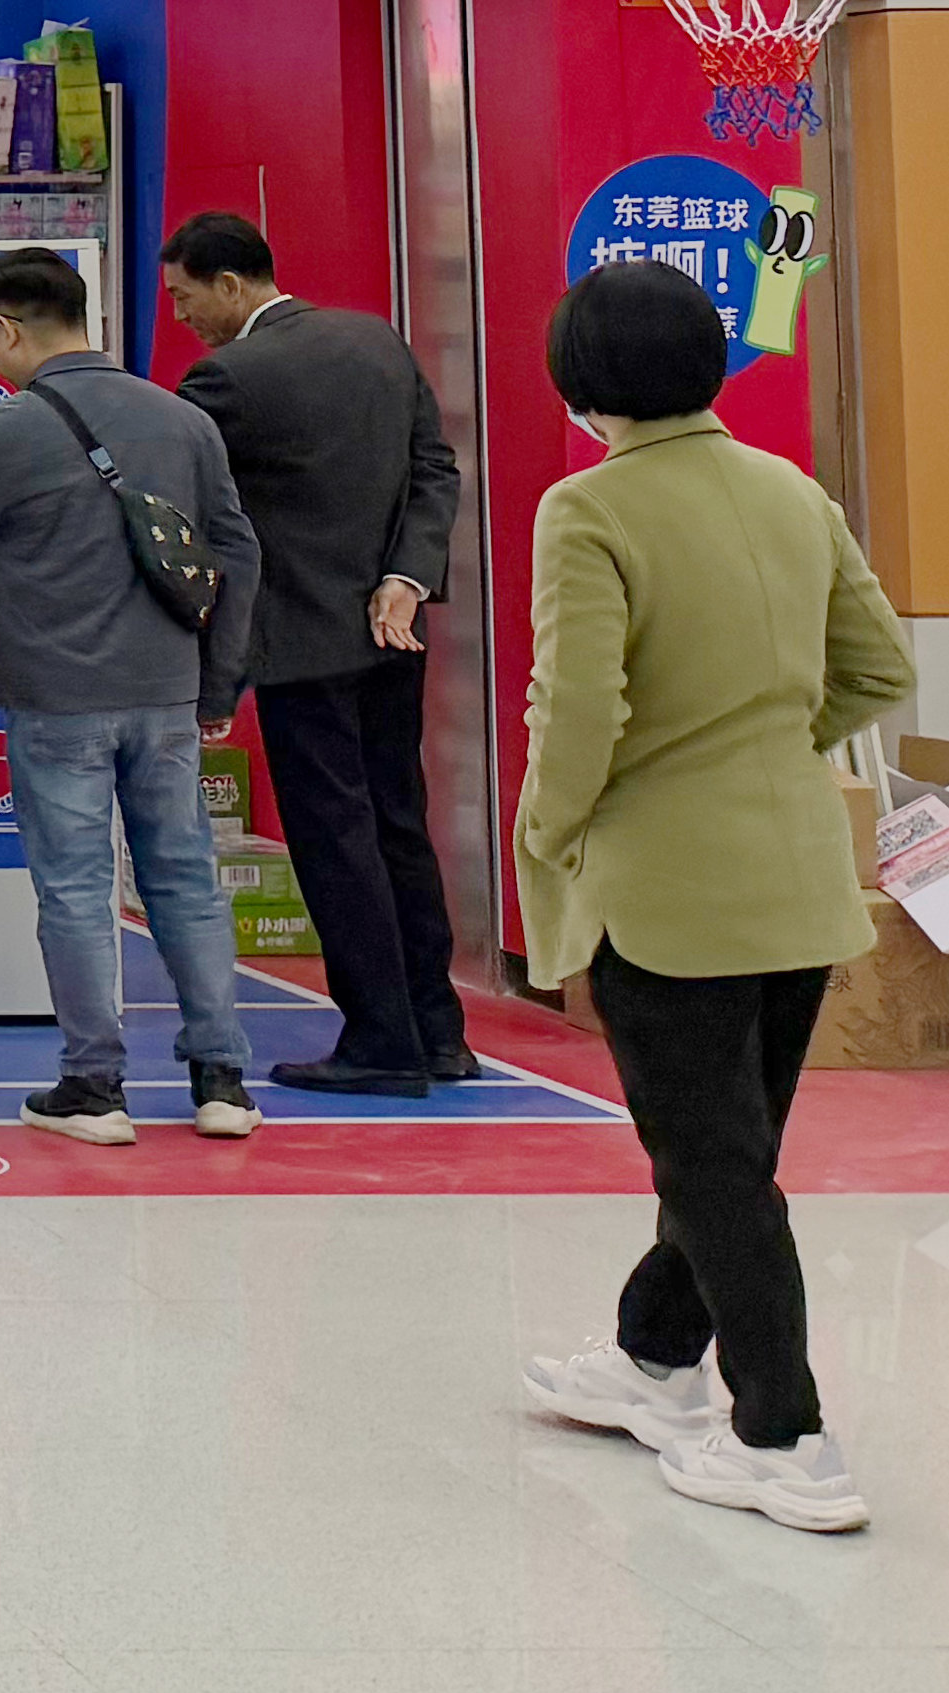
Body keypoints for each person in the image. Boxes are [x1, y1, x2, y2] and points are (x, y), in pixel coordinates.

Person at [512, 258, 911, 1535]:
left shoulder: (587, 507)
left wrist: (549, 829)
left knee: (716, 1166)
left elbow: (580, 707)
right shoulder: (791, 489)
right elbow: (878, 668)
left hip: (664, 889)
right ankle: (651, 1357)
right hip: (795, 878)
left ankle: (783, 1436)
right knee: (728, 1149)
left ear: (580, 382)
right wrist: (771, 751)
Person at [0, 247, 264, 1145]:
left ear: (6, 329)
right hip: (165, 691)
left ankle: (93, 1085)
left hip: (55, 695)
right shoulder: (182, 420)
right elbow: (236, 553)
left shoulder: (4, 431)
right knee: (184, 877)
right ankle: (222, 1081)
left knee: (76, 888)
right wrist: (217, 681)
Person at [164, 211, 476, 1095]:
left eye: (184, 297)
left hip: (298, 641)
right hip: (391, 626)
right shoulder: (378, 343)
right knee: (397, 824)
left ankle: (379, 1040)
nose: (181, 316)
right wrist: (405, 576)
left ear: (230, 284)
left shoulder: (225, 378)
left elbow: (167, 485)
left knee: (334, 840)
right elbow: (434, 468)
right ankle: (437, 1032)